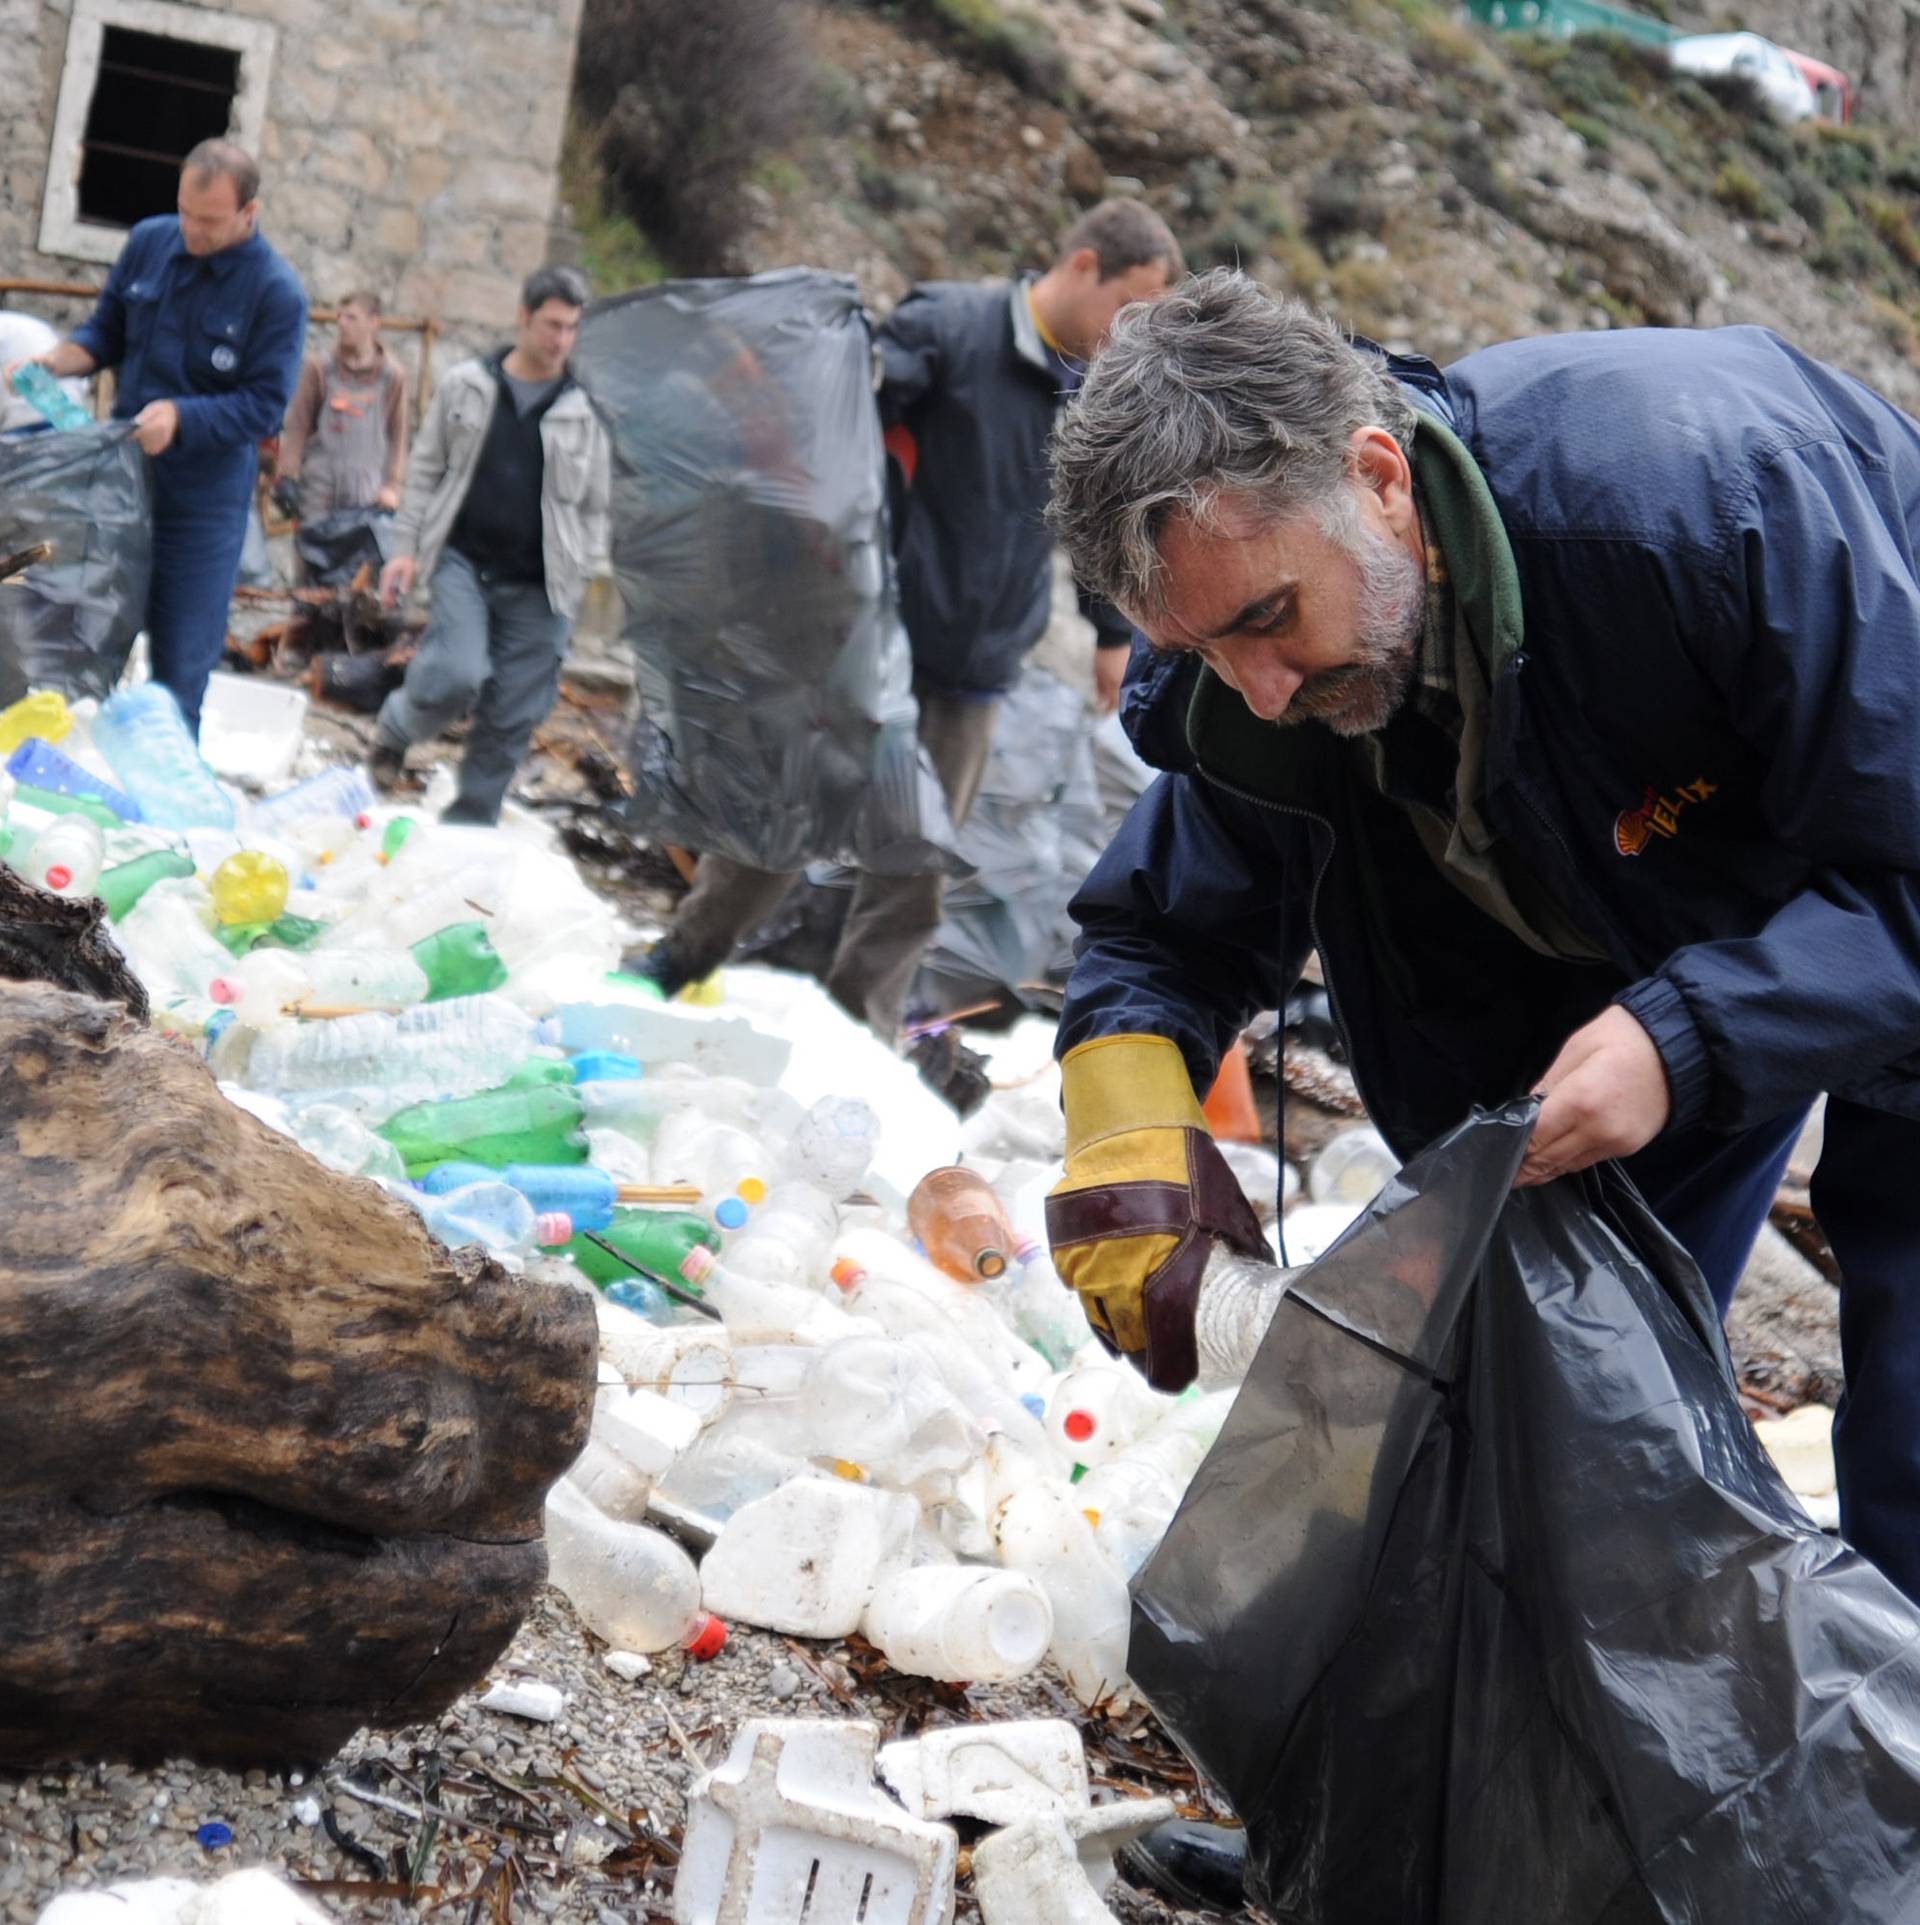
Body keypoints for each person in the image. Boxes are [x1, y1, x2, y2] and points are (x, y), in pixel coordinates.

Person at [1042, 270, 1920, 1913]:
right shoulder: (1274, 692)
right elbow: (1150, 942)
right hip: (1636, 948)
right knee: (1502, 1393)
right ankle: (1415, 1851)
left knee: (1917, 1446)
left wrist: (1688, 1035)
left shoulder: (1698, 517)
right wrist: (1127, 1148)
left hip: (1875, 869)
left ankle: (1867, 1871)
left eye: (1262, 623)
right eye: (1197, 647)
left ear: (1381, 482)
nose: (1257, 689)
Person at [635, 200, 1185, 1071]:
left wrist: (1111, 631)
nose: (1128, 332)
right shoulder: (952, 328)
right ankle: (676, 962)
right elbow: (843, 421)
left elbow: (1089, 521)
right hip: (872, 637)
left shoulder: (1087, 389)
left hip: (977, 663)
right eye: (1129, 306)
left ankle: (857, 1035)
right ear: (1084, 266)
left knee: (915, 868)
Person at [1, 140, 306, 731]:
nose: (191, 230)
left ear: (250, 213)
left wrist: (183, 417)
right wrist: (56, 362)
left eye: (209, 222)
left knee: (178, 672)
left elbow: (265, 406)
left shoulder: (276, 293)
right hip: (116, 488)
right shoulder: (150, 243)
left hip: (201, 506)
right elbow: (105, 332)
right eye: (185, 213)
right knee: (72, 642)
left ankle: (163, 808)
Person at [372, 265, 609, 826]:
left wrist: (582, 566)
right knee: (457, 673)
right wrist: (405, 548)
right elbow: (426, 468)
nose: (561, 340)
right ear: (524, 317)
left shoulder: (588, 411)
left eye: (572, 329)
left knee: (513, 713)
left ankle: (470, 826)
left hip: (543, 586)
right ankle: (397, 729)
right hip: (465, 565)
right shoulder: (468, 385)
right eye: (552, 325)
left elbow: (601, 503)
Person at [274, 289, 408, 525]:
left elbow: (398, 436)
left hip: (367, 499)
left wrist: (392, 486)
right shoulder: (320, 368)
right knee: (311, 557)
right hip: (318, 495)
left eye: (351, 318)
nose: (342, 324)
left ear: (374, 322)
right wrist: (287, 476)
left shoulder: (391, 376)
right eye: (340, 317)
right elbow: (298, 426)